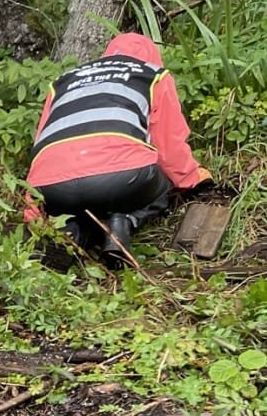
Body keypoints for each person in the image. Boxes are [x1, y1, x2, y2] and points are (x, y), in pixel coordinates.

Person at [26, 32, 212, 265]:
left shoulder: (63, 81)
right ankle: (122, 223)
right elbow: (168, 147)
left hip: (52, 187)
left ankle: (71, 233)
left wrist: (33, 209)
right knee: (164, 178)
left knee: (83, 200)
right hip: (122, 179)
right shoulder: (152, 75)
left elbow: (42, 147)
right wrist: (191, 179)